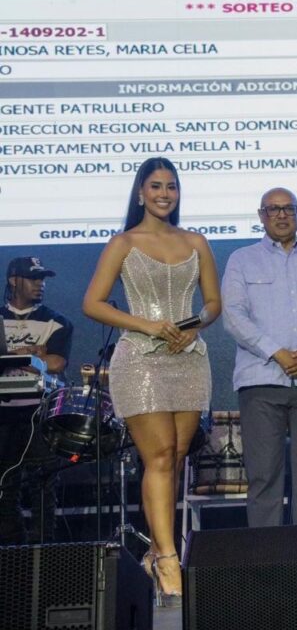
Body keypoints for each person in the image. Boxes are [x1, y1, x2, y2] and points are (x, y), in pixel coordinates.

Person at [82, 157, 220, 606]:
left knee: (175, 456)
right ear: (141, 193)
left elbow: (213, 303)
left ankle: (155, 553)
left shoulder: (196, 241)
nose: (164, 194)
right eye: (156, 186)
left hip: (188, 358)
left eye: (171, 186)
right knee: (158, 456)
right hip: (141, 360)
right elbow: (93, 303)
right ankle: (167, 558)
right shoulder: (123, 243)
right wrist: (146, 325)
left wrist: (195, 327)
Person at [221, 187, 297, 530]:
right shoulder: (241, 259)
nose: (281, 215)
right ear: (261, 216)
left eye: (288, 208)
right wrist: (275, 352)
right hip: (261, 380)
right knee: (264, 479)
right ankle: (268, 557)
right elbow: (233, 315)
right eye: (273, 209)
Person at [0, 257, 72, 545]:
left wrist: (12, 356)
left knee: (43, 486)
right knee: (5, 488)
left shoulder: (57, 321)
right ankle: (13, 553)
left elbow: (55, 363)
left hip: (40, 412)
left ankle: (43, 554)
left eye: (42, 279)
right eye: (33, 278)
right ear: (13, 280)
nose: (40, 284)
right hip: (3, 415)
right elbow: (41, 359)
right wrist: (32, 354)